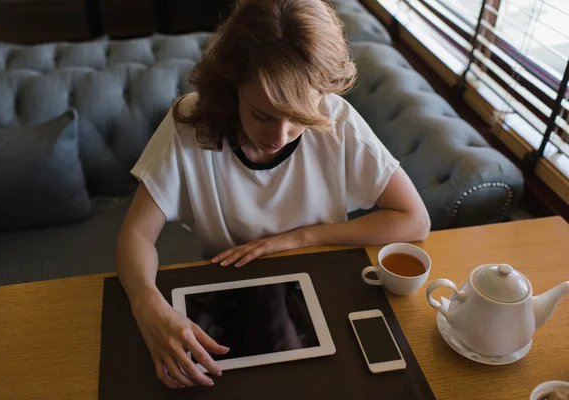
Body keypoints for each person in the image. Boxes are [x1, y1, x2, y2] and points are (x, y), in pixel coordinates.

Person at [116, 0, 430, 390]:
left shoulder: (339, 122)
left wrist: (300, 237)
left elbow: (414, 220)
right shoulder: (190, 126)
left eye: (300, 116)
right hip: (230, 300)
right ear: (232, 86)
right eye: (262, 115)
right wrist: (146, 304)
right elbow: (136, 235)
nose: (279, 138)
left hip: (320, 290)